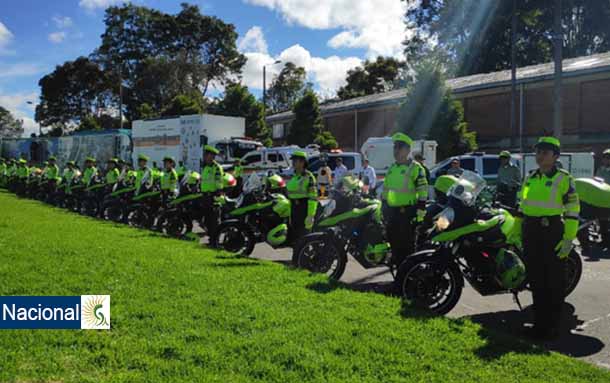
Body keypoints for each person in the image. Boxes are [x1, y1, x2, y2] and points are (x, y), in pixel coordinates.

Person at [518, 136, 580, 341]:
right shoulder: (529, 177)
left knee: (553, 281)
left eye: (544, 152)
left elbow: (572, 210)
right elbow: (523, 202)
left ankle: (552, 327)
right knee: (536, 280)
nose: (539, 156)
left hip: (552, 230)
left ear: (555, 156)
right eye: (537, 152)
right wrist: (520, 229)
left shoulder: (564, 179)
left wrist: (569, 238)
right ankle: (539, 325)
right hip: (531, 230)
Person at [382, 133, 428, 267]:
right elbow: (386, 189)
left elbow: (423, 190)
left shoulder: (415, 168)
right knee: (395, 247)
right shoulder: (392, 168)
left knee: (407, 249)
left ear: (407, 150)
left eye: (399, 148)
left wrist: (420, 211)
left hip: (407, 213)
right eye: (394, 148)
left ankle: (410, 280)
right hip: (392, 213)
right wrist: (384, 206)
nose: (395, 151)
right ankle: (399, 280)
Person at [286, 151, 317, 243]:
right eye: (293, 160)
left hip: (304, 208)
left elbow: (313, 197)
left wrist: (310, 215)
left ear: (302, 162)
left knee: (303, 238)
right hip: (294, 208)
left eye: (295, 160)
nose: (293, 163)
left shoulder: (308, 177)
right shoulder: (294, 176)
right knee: (295, 237)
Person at [200, 145, 224, 244]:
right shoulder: (205, 167)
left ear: (212, 156)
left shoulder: (216, 167)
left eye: (207, 155)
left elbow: (219, 182)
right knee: (207, 220)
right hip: (205, 196)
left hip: (213, 196)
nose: (205, 157)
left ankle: (215, 241)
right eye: (205, 155)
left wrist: (217, 193)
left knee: (214, 220)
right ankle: (211, 239)